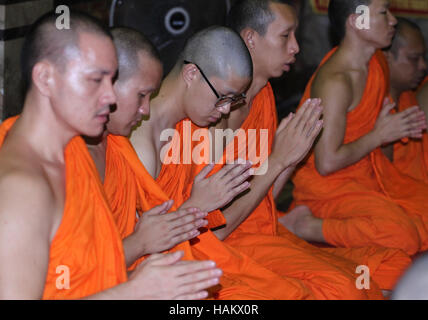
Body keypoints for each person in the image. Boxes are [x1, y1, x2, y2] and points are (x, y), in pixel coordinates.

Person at [132, 0, 410, 299]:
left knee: (372, 275)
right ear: (251, 38)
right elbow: (212, 230)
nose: (295, 48)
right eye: (285, 36)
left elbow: (261, 203)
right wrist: (279, 161)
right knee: (338, 288)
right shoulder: (199, 116)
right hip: (213, 244)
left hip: (255, 231)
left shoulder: (259, 98)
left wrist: (290, 157)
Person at [0, 11, 221, 300]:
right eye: (96, 80)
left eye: (113, 81)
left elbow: (82, 276)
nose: (110, 97)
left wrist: (132, 278)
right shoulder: (21, 187)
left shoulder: (73, 152)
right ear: (45, 78)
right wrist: (134, 291)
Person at [289, 0, 428, 256]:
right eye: (384, 12)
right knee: (403, 235)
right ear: (357, 21)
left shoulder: (376, 63)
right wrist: (379, 135)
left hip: (368, 174)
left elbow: (378, 144)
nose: (393, 20)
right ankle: (308, 226)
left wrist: (387, 135)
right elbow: (327, 162)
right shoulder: (335, 81)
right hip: (329, 188)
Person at [384, 18, 428, 183]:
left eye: (424, 57)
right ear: (386, 57)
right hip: (401, 197)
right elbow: (382, 177)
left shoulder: (409, 97)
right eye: (414, 58)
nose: (423, 66)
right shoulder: (373, 102)